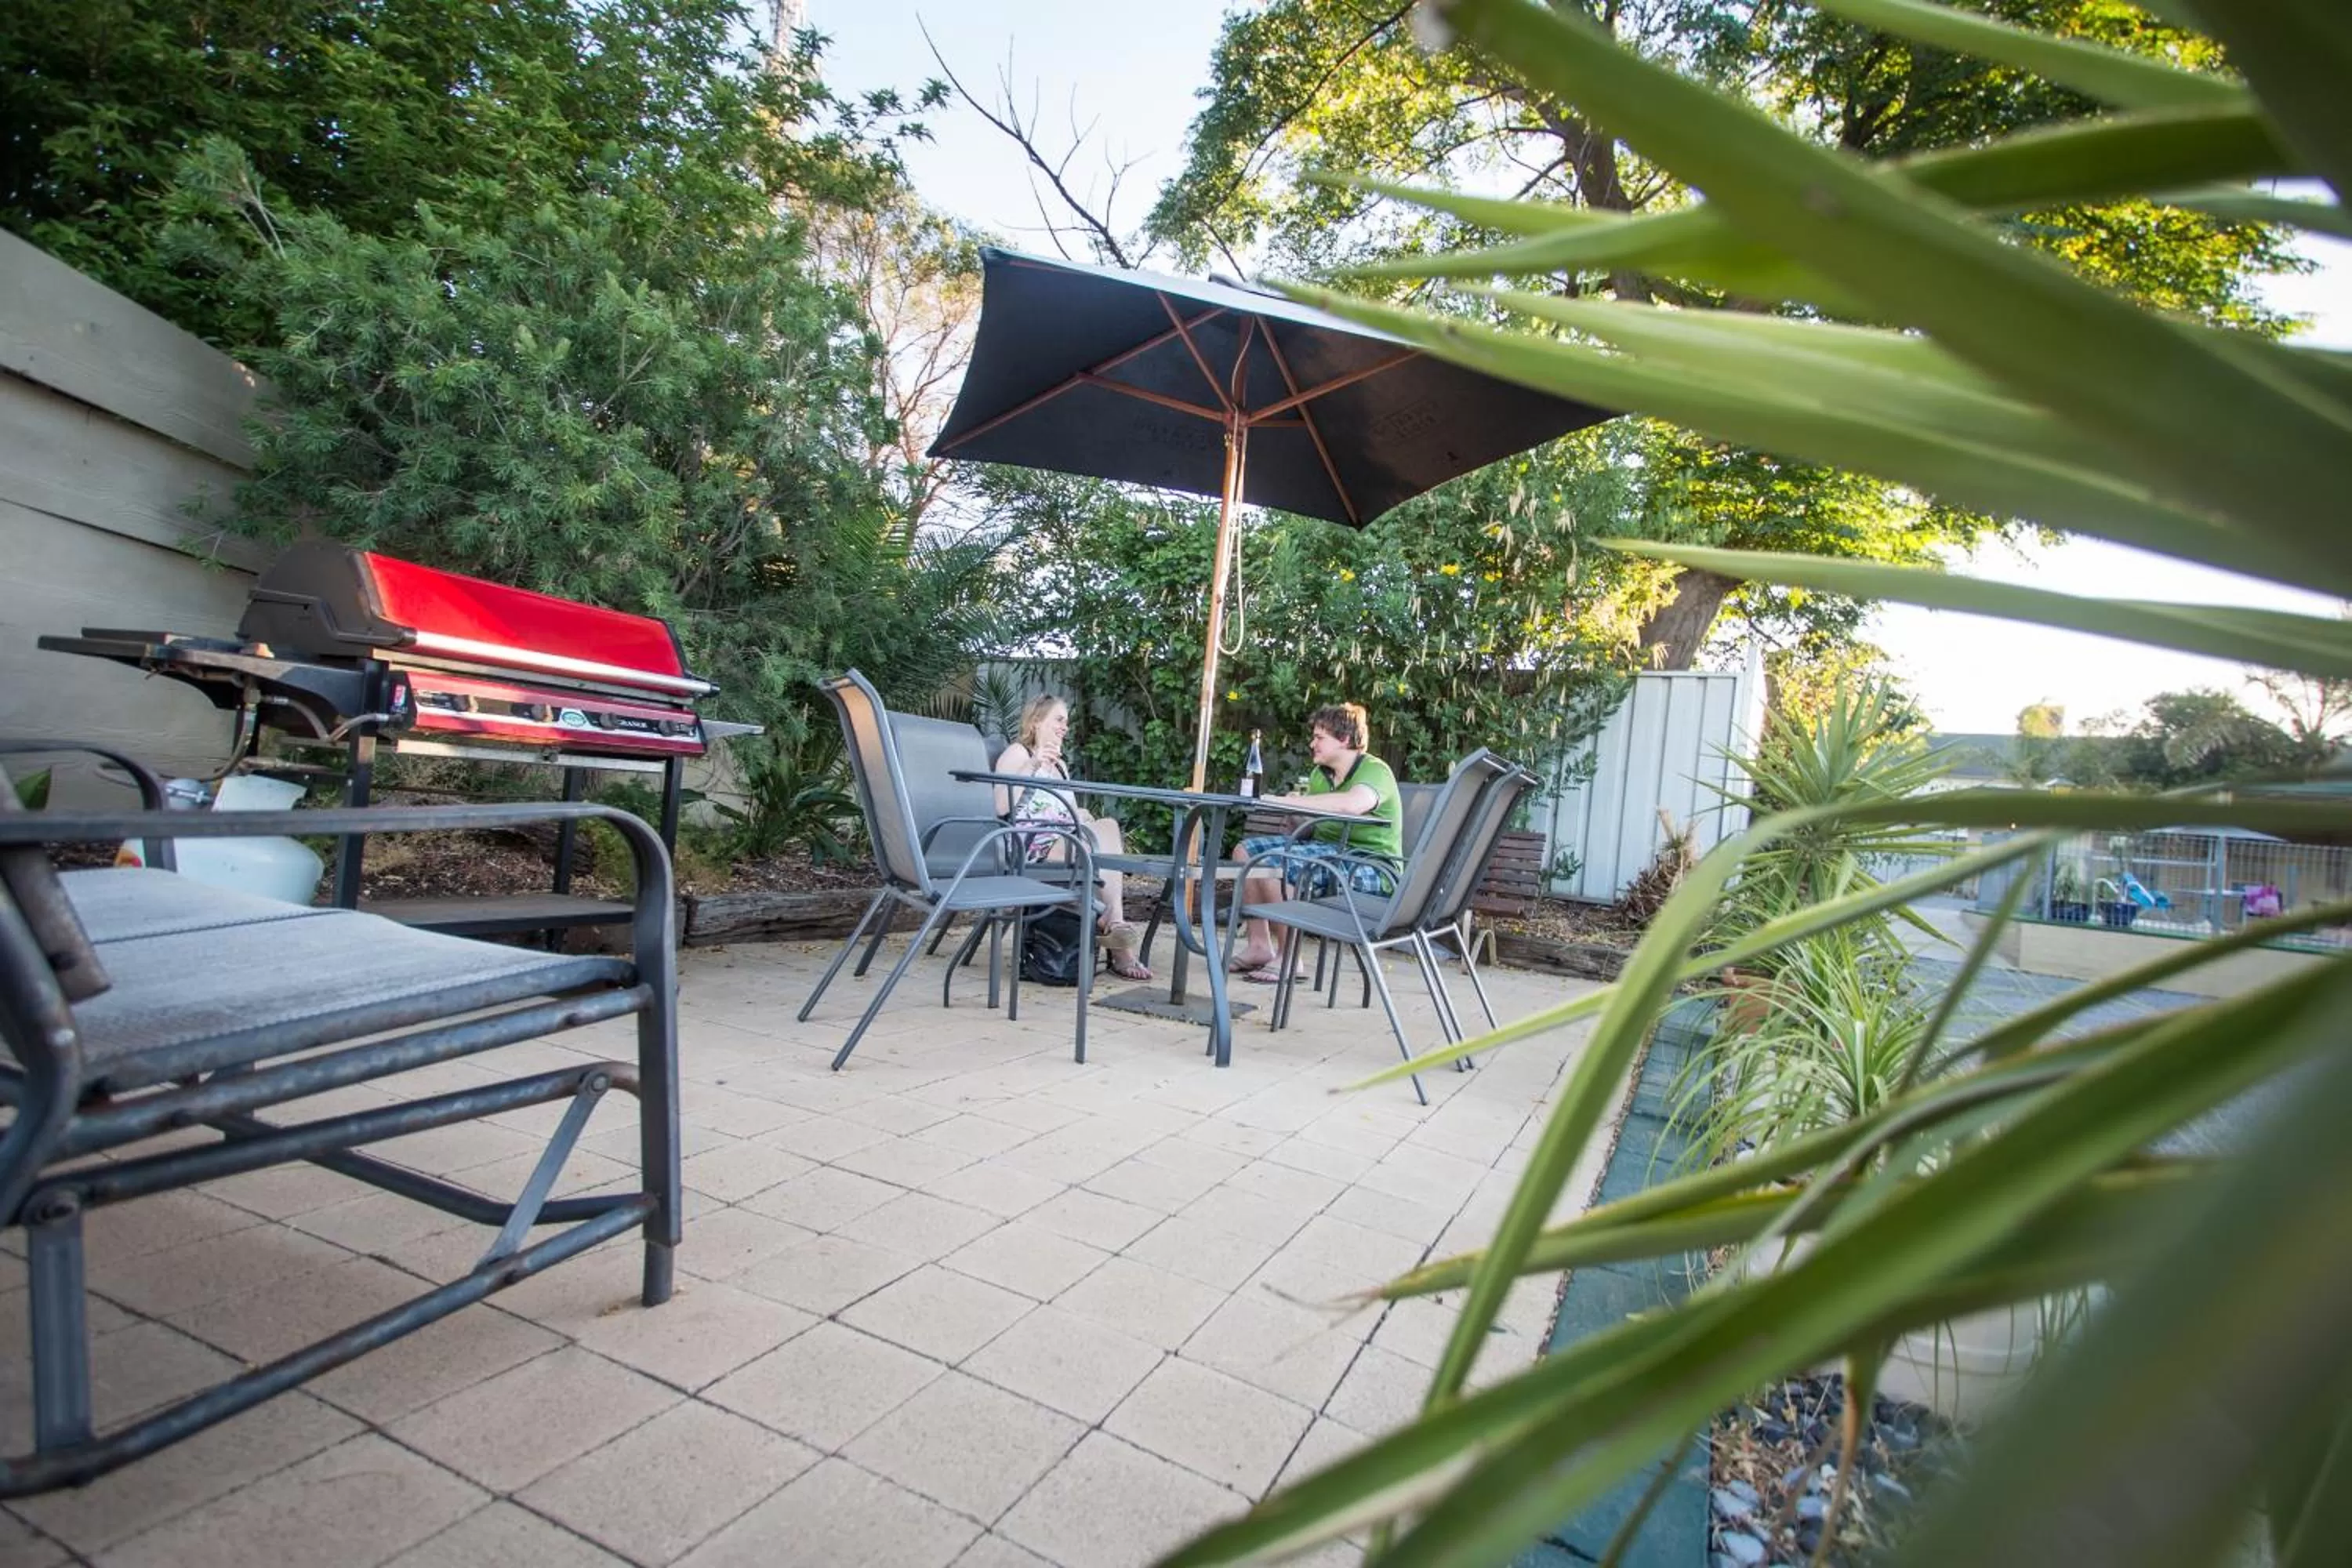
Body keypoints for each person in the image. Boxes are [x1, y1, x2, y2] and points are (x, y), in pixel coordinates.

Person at [1225, 702, 1403, 983]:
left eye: (1320, 738)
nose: (1313, 744)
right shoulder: (1321, 777)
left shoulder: (1374, 771)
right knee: (1244, 851)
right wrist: (1296, 817)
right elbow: (1314, 830)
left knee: (1276, 867)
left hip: (1370, 865)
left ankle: (1290, 957)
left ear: (1344, 739)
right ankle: (1259, 945)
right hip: (1329, 853)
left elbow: (1352, 805)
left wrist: (1281, 800)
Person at [993, 694, 1154, 982]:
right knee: (1094, 840)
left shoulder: (1060, 766)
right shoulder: (1018, 753)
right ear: (1036, 720)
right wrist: (1033, 767)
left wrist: (1081, 816)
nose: (1065, 727)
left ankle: (1113, 920)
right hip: (1028, 844)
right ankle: (1116, 937)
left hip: (1064, 838)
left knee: (1107, 825)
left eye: (1067, 722)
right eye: (1059, 719)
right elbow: (1001, 806)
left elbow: (1063, 810)